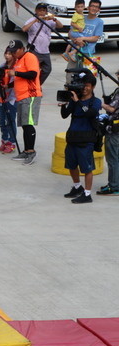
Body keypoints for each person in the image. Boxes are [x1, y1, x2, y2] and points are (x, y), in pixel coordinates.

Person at [61, 71, 101, 204]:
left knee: (87, 168)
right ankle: (78, 187)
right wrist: (64, 105)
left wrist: (78, 102)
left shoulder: (96, 102)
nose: (84, 88)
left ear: (93, 87)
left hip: (86, 139)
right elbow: (65, 115)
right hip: (72, 137)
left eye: (87, 86)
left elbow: (90, 114)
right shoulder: (75, 100)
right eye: (83, 85)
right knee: (71, 165)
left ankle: (87, 194)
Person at [7, 39, 41, 166]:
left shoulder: (29, 57)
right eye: (11, 52)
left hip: (30, 95)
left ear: (22, 49)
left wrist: (15, 72)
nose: (13, 54)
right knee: (24, 124)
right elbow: (19, 78)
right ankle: (26, 150)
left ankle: (31, 151)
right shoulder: (18, 60)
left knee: (28, 124)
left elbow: (32, 74)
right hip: (21, 96)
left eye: (15, 51)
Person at [22, 2, 62, 85]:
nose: (42, 12)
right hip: (35, 50)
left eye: (44, 10)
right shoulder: (31, 20)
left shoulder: (49, 21)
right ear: (36, 11)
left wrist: (54, 19)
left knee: (47, 69)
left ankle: (37, 84)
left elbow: (60, 26)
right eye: (40, 10)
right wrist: (35, 21)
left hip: (45, 50)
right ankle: (32, 84)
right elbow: (24, 29)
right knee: (34, 69)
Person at [97, 74, 119, 196]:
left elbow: (112, 109)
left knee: (112, 159)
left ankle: (114, 186)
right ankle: (115, 183)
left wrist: (101, 104)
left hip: (114, 130)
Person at [68, 0, 103, 74]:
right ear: (88, 7)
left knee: (88, 79)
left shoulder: (99, 21)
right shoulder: (80, 17)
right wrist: (75, 39)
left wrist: (82, 39)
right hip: (74, 52)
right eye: (92, 6)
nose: (94, 8)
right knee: (70, 76)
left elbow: (96, 38)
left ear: (99, 9)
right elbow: (70, 33)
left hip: (88, 53)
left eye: (96, 7)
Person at [0, 49, 18, 154]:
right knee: (1, 120)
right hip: (2, 97)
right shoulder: (2, 66)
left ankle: (11, 142)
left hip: (12, 98)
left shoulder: (15, 67)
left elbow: (15, 83)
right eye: (6, 53)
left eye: (10, 54)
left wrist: (7, 86)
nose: (7, 56)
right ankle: (4, 141)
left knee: (10, 120)